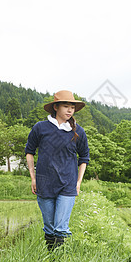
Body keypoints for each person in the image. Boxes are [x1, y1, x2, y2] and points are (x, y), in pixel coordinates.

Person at [25, 90, 90, 250]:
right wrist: (33, 178)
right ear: (56, 107)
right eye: (66, 106)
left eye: (72, 107)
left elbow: (84, 158)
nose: (70, 110)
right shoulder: (40, 128)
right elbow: (29, 152)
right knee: (49, 227)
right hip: (44, 184)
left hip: (67, 185)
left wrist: (78, 182)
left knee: (60, 228)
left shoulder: (78, 132)